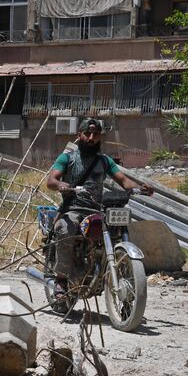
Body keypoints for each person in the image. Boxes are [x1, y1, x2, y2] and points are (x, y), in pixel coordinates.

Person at [45, 117, 152, 292]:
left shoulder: (104, 161)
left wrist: (140, 188)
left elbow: (124, 181)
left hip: (96, 210)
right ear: (79, 135)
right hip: (73, 208)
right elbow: (51, 180)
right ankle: (61, 279)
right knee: (65, 229)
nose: (91, 137)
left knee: (116, 231)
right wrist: (60, 185)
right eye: (87, 133)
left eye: (95, 134)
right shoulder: (68, 158)